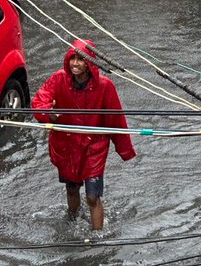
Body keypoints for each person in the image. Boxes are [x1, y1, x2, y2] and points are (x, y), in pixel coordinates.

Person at [32, 39, 136, 229]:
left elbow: (116, 121)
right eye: (72, 58)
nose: (75, 64)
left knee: (92, 196)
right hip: (67, 146)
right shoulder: (58, 79)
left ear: (90, 64)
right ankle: (72, 222)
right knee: (72, 189)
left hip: (93, 147)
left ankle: (97, 236)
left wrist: (125, 150)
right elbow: (39, 102)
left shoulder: (105, 87)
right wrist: (48, 113)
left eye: (80, 59)